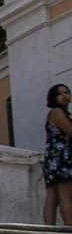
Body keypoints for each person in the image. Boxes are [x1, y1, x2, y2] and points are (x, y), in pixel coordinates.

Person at [43, 83, 72, 225]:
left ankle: (48, 232)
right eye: (60, 94)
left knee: (53, 196)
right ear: (53, 98)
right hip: (61, 158)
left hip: (53, 159)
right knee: (66, 196)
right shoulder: (57, 112)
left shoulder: (54, 113)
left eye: (66, 92)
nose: (65, 96)